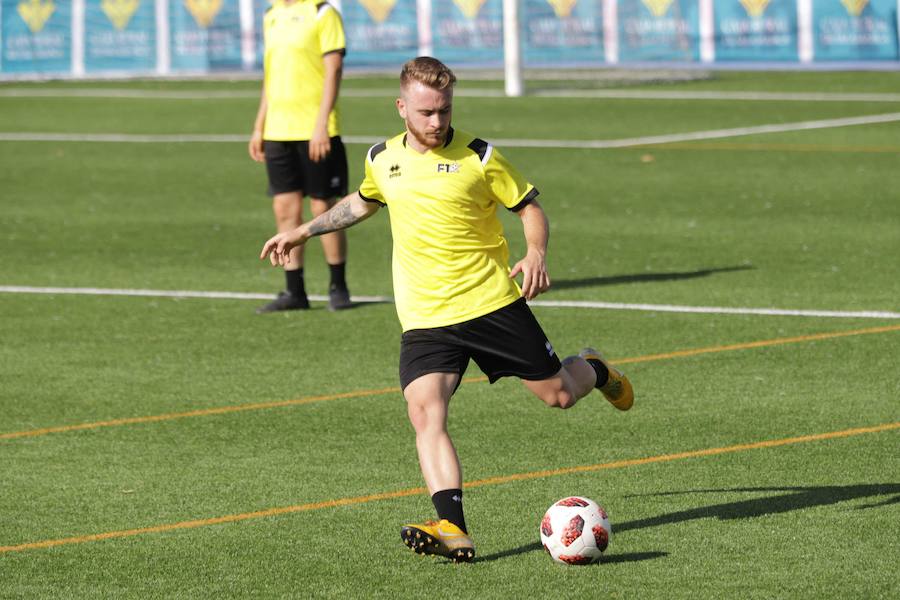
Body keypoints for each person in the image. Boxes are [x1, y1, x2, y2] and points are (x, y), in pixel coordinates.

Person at [260, 57, 634, 562]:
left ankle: (593, 368)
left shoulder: (479, 157)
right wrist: (302, 230)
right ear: (402, 108)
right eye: (427, 112)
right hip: (425, 316)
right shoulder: (382, 157)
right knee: (425, 411)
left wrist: (536, 253)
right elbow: (362, 202)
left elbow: (528, 207)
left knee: (559, 396)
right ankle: (452, 527)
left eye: (445, 110)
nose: (438, 122)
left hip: (490, 302)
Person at [249, 0, 352, 313]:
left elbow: (333, 70)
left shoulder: (322, 12)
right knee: (284, 208)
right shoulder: (271, 15)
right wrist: (259, 126)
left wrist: (321, 124)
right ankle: (295, 290)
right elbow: (271, 76)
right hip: (278, 131)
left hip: (316, 130)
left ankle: (338, 286)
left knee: (323, 207)